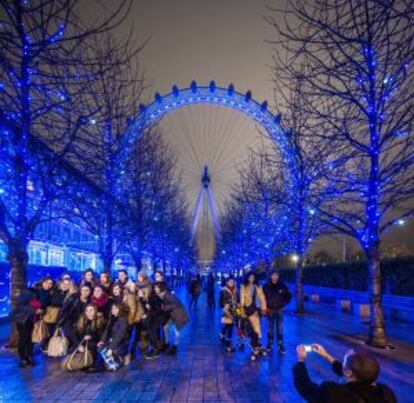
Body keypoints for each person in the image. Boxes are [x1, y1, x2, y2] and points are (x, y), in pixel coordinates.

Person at [293, 344, 397, 403]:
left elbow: (305, 386)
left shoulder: (334, 393)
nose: (343, 365)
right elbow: (349, 373)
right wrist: (326, 355)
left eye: (344, 361)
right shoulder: (387, 394)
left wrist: (301, 360)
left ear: (348, 373)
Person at [154, 281, 189, 355]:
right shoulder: (162, 294)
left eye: (156, 287)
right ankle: (167, 344)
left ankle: (174, 348)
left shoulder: (167, 295)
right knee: (166, 327)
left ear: (160, 288)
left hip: (179, 314)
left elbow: (177, 303)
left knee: (177, 331)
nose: (155, 289)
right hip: (173, 314)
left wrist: (165, 307)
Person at [11, 288, 42, 367]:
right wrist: (34, 311)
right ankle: (22, 358)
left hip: (31, 320)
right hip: (23, 321)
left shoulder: (34, 294)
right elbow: (21, 306)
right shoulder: (26, 294)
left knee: (30, 339)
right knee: (24, 339)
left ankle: (29, 356)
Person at [240, 271, 267, 360]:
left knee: (257, 329)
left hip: (256, 311)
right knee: (250, 330)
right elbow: (242, 300)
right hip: (247, 311)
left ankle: (257, 346)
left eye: (253, 277)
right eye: (250, 277)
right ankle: (254, 347)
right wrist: (241, 312)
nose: (251, 279)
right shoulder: (243, 287)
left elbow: (262, 297)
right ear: (247, 278)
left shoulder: (258, 286)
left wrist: (263, 308)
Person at [263, 270, 291, 353]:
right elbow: (262, 297)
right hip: (270, 309)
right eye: (273, 275)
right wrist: (264, 306)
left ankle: (280, 344)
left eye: (276, 275)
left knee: (280, 328)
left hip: (279, 309)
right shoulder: (266, 286)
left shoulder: (282, 286)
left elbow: (288, 295)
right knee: (270, 328)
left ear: (278, 276)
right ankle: (270, 344)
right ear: (270, 276)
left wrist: (284, 303)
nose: (274, 277)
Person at [57, 284, 91, 352]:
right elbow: (63, 309)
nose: (85, 292)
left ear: (90, 292)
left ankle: (76, 351)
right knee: (71, 335)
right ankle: (78, 346)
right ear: (80, 291)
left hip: (81, 321)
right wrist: (59, 321)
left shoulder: (89, 301)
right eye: (83, 290)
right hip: (68, 320)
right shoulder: (73, 297)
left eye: (87, 290)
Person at [98, 303, 130, 369]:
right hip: (112, 340)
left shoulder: (123, 320)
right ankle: (112, 361)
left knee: (113, 350)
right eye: (112, 308)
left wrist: (111, 348)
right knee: (100, 347)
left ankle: (121, 357)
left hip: (121, 342)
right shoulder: (112, 318)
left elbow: (119, 335)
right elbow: (107, 331)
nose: (113, 310)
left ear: (120, 310)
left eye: (115, 308)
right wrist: (102, 340)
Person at [73, 304, 104, 370]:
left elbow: (100, 336)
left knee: (93, 346)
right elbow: (75, 335)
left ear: (95, 311)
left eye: (91, 310)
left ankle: (91, 363)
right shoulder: (81, 320)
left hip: (93, 345)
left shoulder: (99, 321)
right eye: (87, 311)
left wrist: (91, 337)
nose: (89, 313)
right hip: (81, 343)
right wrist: (79, 345)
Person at [130, 271, 151, 359]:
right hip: (136, 312)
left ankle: (143, 347)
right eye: (138, 276)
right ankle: (132, 350)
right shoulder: (135, 285)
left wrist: (142, 297)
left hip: (144, 312)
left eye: (141, 276)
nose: (139, 277)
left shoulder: (148, 286)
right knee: (136, 332)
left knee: (143, 331)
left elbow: (148, 301)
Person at [219, 276, 238, 352]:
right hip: (227, 310)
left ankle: (222, 334)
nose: (232, 283)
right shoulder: (223, 290)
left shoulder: (235, 290)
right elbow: (221, 302)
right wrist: (226, 309)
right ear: (227, 282)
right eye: (230, 282)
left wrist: (239, 311)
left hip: (234, 310)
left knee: (229, 325)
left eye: (233, 282)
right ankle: (229, 344)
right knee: (229, 325)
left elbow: (237, 300)